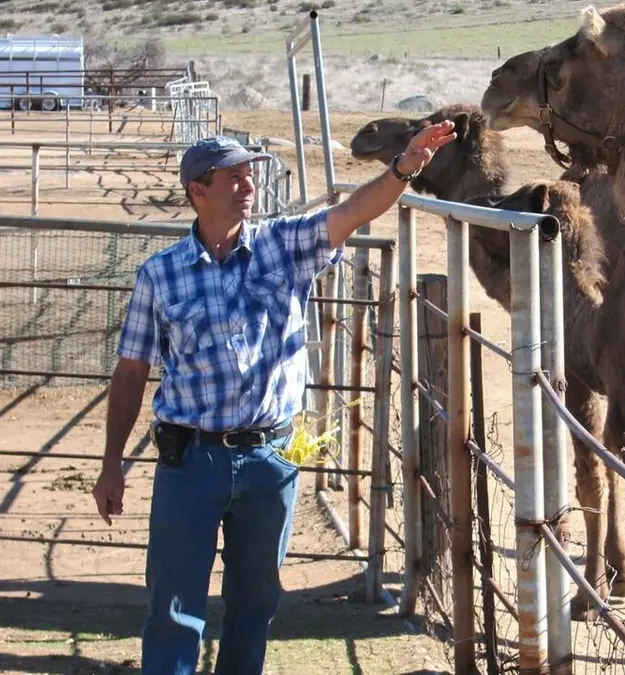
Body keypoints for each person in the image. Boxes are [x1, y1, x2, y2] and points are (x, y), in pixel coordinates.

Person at [90, 122, 455, 675]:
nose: (248, 184)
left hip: (268, 459)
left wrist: (403, 168)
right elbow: (131, 370)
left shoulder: (282, 245)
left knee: (255, 603)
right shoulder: (160, 275)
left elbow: (354, 210)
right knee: (173, 606)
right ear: (198, 190)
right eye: (233, 176)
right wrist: (111, 462)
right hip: (190, 461)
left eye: (249, 174)